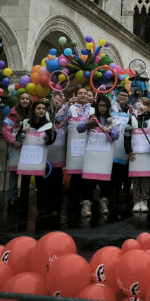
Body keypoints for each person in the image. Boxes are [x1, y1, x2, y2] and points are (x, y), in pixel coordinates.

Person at [77, 95, 121, 216]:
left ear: (108, 107)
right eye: (100, 105)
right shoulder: (91, 117)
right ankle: (86, 202)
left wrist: (110, 131)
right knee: (88, 179)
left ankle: (103, 201)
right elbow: (79, 129)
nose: (102, 108)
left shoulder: (113, 120)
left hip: (105, 155)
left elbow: (116, 135)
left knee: (104, 179)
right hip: (91, 154)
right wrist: (87, 123)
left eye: (105, 106)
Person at [55, 87, 92, 216]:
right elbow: (59, 118)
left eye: (85, 93)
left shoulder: (92, 109)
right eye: (80, 93)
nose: (83, 95)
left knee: (86, 174)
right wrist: (67, 104)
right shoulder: (70, 108)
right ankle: (73, 202)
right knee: (75, 175)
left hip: (88, 144)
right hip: (74, 145)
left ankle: (86, 201)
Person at [16, 100, 55, 215]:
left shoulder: (48, 125)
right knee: (24, 182)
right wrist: (23, 132)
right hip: (27, 156)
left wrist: (53, 133)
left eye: (43, 109)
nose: (41, 110)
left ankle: (41, 206)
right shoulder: (26, 122)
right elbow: (18, 138)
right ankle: (23, 206)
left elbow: (49, 141)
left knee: (40, 181)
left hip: (39, 157)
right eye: (39, 108)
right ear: (33, 110)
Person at [125, 97, 150, 212]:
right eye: (138, 105)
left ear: (149, 107)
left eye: (143, 105)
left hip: (147, 154)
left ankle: (144, 200)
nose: (140, 107)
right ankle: (136, 201)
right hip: (135, 154)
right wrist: (128, 150)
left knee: (146, 178)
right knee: (136, 177)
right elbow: (127, 135)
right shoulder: (132, 119)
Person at [2, 91, 32, 212]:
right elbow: (5, 130)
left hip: (28, 147)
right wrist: (12, 141)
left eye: (27, 99)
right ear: (19, 100)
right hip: (15, 147)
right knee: (14, 175)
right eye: (22, 98)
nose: (25, 101)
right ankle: (12, 199)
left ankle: (24, 200)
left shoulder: (33, 113)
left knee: (26, 175)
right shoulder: (12, 114)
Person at [110, 89, 132, 214]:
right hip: (113, 144)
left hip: (125, 145)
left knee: (123, 172)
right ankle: (112, 195)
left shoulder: (130, 110)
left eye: (125, 95)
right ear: (117, 96)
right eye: (121, 95)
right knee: (113, 171)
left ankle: (122, 195)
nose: (123, 97)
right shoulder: (112, 108)